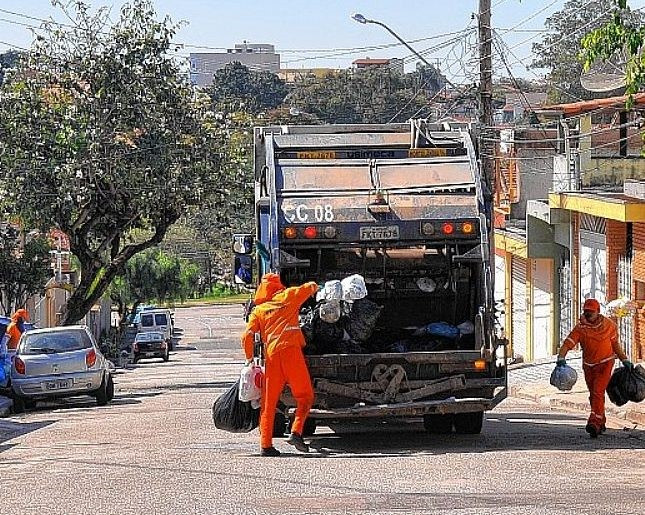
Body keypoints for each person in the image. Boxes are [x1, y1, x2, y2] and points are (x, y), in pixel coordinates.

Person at [241, 273, 318, 457]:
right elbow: (308, 287)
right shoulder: (288, 296)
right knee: (305, 396)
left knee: (268, 402)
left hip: (272, 357)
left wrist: (250, 357)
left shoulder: (258, 311)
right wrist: (315, 286)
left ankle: (266, 445)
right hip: (291, 353)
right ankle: (296, 432)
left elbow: (246, 336)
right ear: (278, 286)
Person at [557, 298, 633, 438]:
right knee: (593, 394)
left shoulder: (609, 326)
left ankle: (594, 422)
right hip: (589, 365)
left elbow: (615, 345)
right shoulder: (581, 328)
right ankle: (601, 421)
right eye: (585, 312)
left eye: (590, 312)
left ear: (598, 312)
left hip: (605, 363)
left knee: (598, 391)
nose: (587, 315)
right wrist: (561, 357)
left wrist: (624, 360)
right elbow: (568, 343)